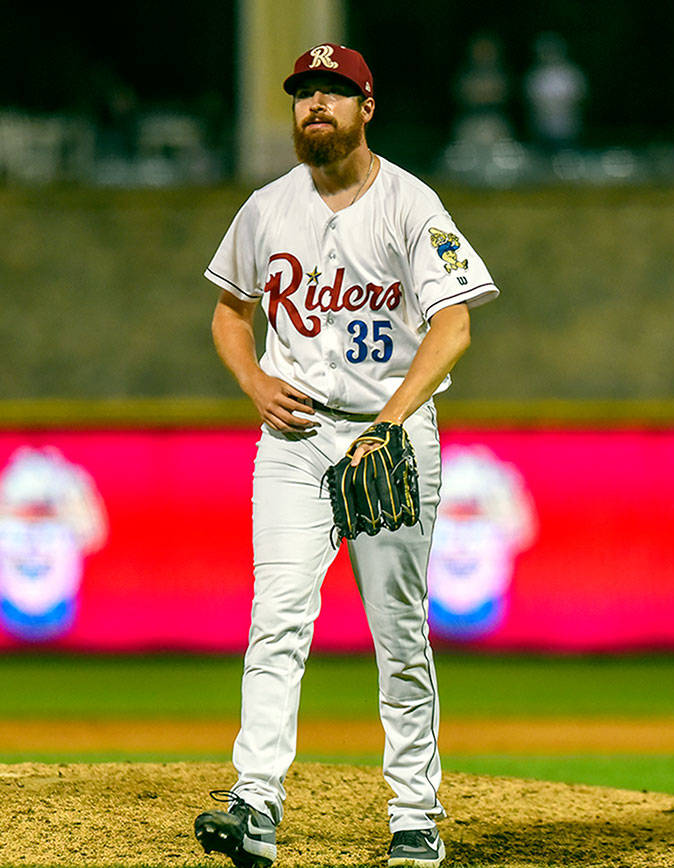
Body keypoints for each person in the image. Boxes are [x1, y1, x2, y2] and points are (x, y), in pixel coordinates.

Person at [193, 42, 499, 868]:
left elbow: (455, 324)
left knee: (399, 632)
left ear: (368, 108)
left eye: (333, 92)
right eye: (304, 93)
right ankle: (254, 802)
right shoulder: (265, 209)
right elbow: (229, 311)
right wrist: (253, 378)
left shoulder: (410, 204)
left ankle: (414, 813)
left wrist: (394, 420)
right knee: (278, 618)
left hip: (388, 434)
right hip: (294, 437)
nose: (314, 105)